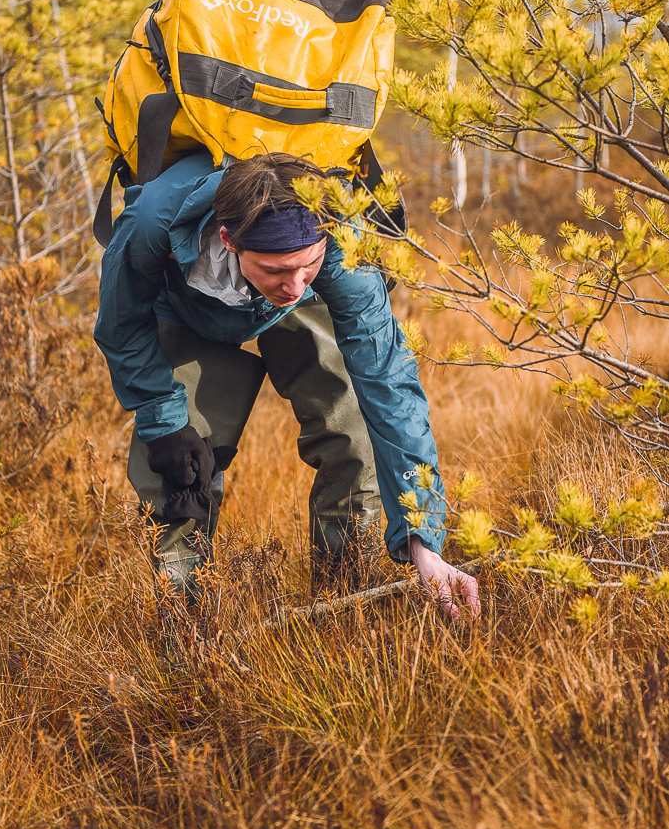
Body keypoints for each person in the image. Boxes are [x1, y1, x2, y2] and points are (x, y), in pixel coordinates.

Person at [95, 149, 480, 619]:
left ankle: (343, 601)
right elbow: (121, 326)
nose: (295, 283)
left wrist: (424, 543)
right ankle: (186, 629)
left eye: (308, 265)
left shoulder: (337, 250)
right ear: (229, 239)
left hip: (289, 311)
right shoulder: (152, 221)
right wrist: (163, 418)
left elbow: (390, 386)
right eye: (277, 269)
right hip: (184, 308)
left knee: (352, 434)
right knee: (179, 472)